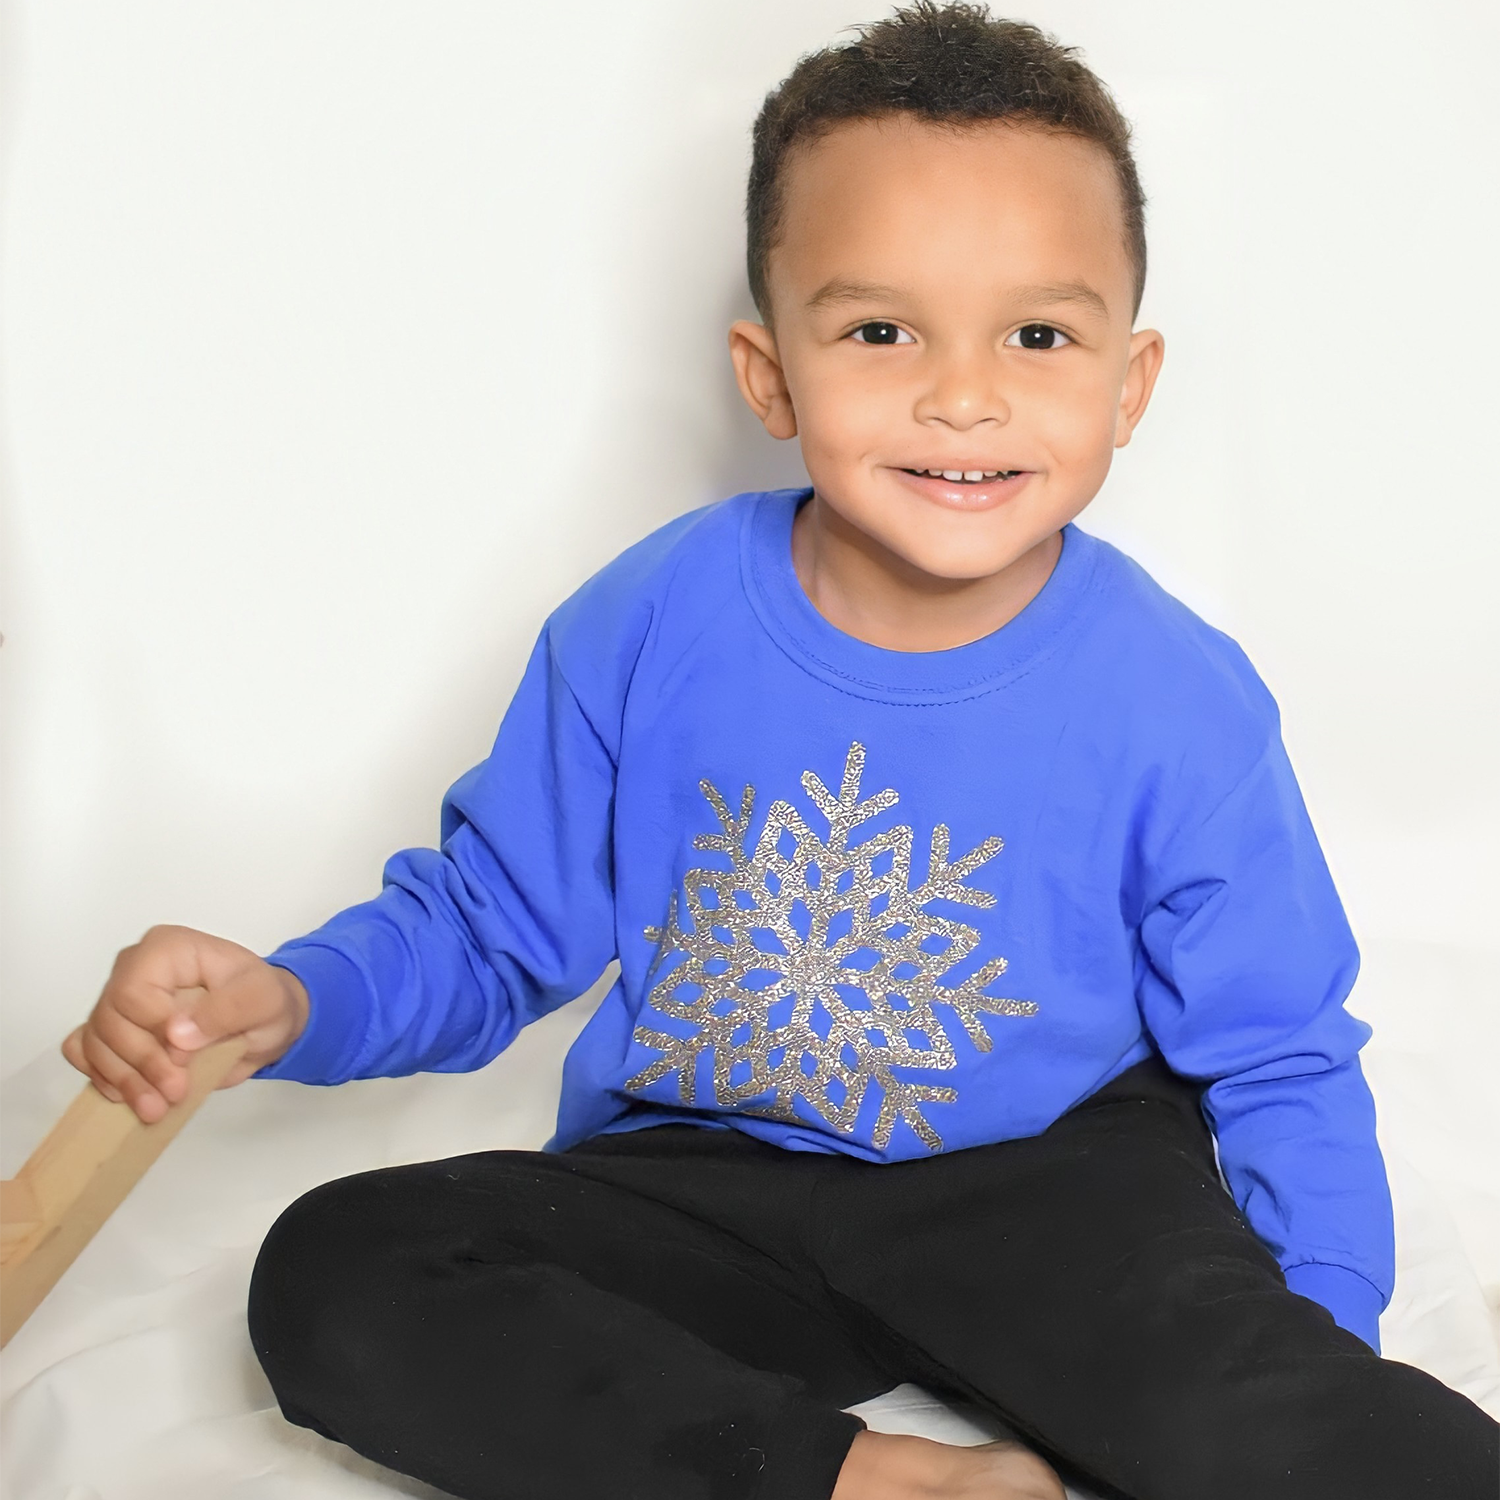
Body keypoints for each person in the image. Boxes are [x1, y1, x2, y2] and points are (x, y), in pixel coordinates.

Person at [61, 5, 1500, 1498]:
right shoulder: (652, 617)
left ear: (1127, 385)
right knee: (339, 1266)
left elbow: (1277, 1050)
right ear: (770, 375)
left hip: (1054, 1190)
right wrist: (294, 998)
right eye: (881, 331)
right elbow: (488, 929)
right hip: (711, 1179)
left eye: (1038, 334)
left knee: (1396, 1457)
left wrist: (1317, 1361)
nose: (963, 394)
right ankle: (862, 1479)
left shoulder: (1178, 696)